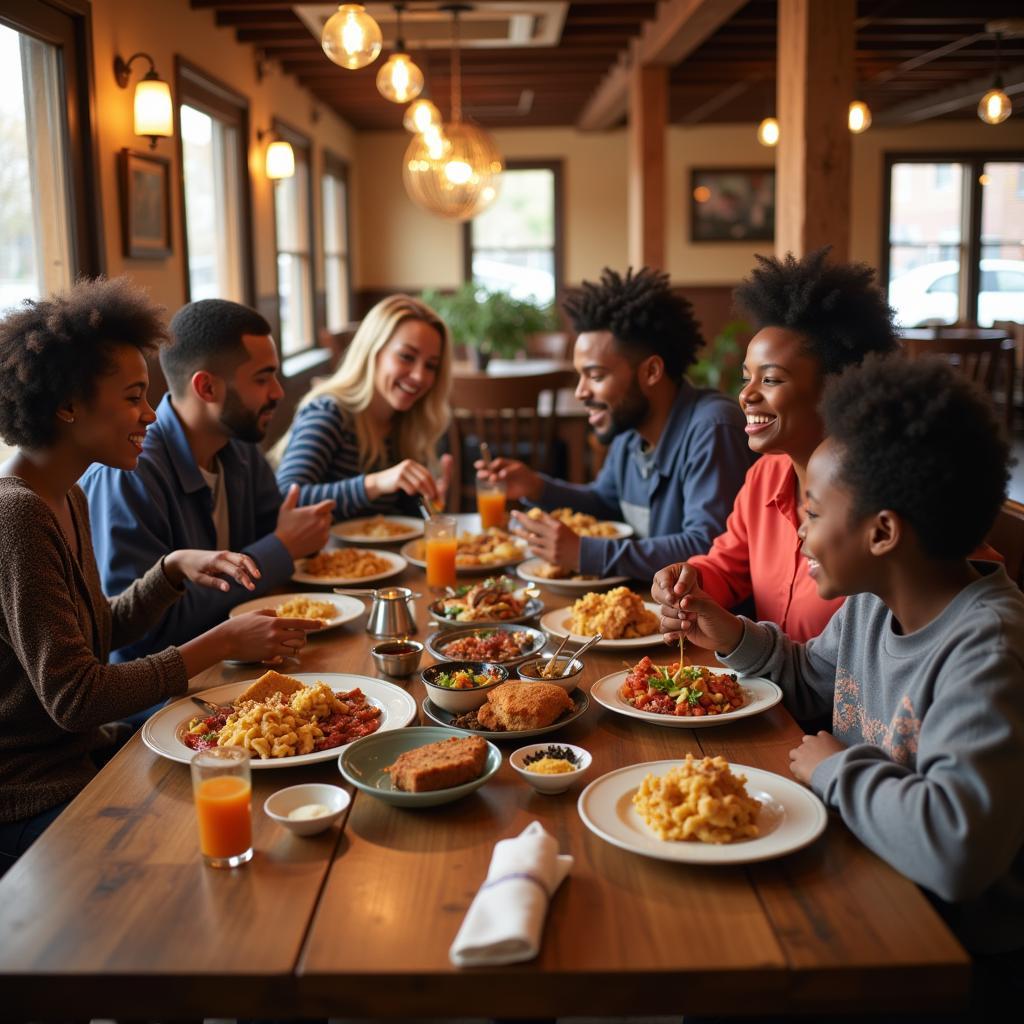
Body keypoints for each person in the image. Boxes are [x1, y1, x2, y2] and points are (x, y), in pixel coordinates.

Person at [663, 354, 1024, 979]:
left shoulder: (987, 649)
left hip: (946, 948)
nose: (799, 534)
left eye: (814, 513)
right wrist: (731, 634)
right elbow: (807, 680)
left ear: (882, 533)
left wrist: (836, 768)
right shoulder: (869, 606)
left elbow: (957, 849)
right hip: (864, 867)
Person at [0, 279, 320, 868]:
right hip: (32, 796)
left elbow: (98, 631)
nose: (150, 414)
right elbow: (76, 695)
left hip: (87, 757)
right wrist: (219, 642)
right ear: (68, 405)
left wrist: (170, 571)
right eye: (132, 397)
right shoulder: (16, 515)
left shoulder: (64, 496)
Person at [652, 248, 899, 642]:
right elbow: (726, 566)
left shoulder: (879, 500)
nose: (745, 395)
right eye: (746, 377)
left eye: (770, 380)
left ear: (835, 390)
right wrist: (689, 581)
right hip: (769, 686)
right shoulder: (766, 474)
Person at [81, 298, 334, 661]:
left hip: (245, 663)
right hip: (162, 698)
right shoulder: (129, 473)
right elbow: (139, 638)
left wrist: (294, 540)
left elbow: (276, 545)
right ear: (207, 388)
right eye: (262, 378)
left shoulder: (239, 446)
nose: (278, 392)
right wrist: (282, 547)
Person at [475, 267, 753, 580]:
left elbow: (709, 547)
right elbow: (606, 503)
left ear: (651, 372)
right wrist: (537, 487)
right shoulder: (630, 429)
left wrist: (584, 553)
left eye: (595, 376)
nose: (581, 392)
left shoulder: (713, 428)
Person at [272, 294, 453, 518]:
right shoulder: (328, 412)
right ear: (372, 352)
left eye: (431, 366)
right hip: (325, 552)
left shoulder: (407, 421)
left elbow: (398, 518)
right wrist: (375, 483)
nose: (419, 376)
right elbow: (285, 498)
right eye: (406, 356)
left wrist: (427, 502)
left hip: (384, 553)